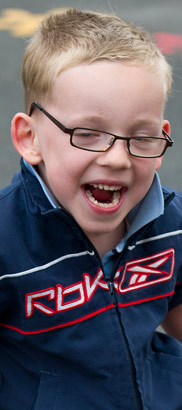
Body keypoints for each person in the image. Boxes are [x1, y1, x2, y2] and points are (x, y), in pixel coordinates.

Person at [0, 7, 182, 410]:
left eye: (142, 136)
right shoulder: (6, 243)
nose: (117, 159)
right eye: (88, 134)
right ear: (29, 137)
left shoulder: (172, 223)